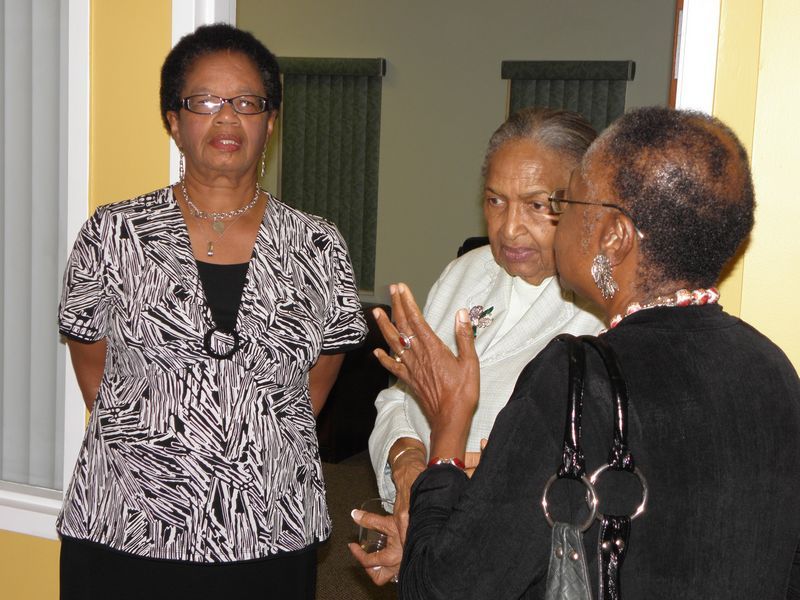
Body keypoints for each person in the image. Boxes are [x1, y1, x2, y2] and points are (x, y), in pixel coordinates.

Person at [360, 107, 800, 598]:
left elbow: (443, 589)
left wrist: (448, 426)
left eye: (564, 203)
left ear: (614, 236)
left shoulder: (577, 377)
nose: (519, 226)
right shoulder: (774, 367)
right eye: (497, 200)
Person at [57, 24, 366, 599]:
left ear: (270, 121)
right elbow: (93, 366)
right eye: (204, 102)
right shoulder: (113, 233)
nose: (228, 118)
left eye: (248, 103)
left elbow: (314, 382)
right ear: (174, 121)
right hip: (126, 520)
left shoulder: (319, 245)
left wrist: (252, 434)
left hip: (269, 524)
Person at [359, 108, 604, 583]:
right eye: (496, 201)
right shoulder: (466, 273)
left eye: (537, 205)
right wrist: (409, 471)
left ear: (585, 200)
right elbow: (399, 398)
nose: (510, 228)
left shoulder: (601, 310)